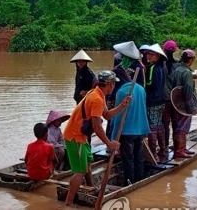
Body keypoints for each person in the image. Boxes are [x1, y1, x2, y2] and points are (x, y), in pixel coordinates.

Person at [63, 70, 130, 207]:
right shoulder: (97, 99)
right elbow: (97, 127)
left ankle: (91, 188)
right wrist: (109, 144)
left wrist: (122, 105)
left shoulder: (98, 93)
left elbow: (106, 115)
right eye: (113, 84)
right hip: (75, 137)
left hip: (81, 135)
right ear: (110, 84)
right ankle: (68, 203)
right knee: (80, 171)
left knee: (87, 163)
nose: (114, 87)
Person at [111, 67, 150, 185]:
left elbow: (118, 116)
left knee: (128, 159)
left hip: (127, 131)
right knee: (138, 157)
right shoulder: (141, 89)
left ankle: (129, 182)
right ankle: (140, 179)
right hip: (140, 129)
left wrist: (113, 137)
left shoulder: (122, 92)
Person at [170, 49, 197, 159]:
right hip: (184, 105)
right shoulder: (187, 73)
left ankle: (181, 148)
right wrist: (192, 108)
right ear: (190, 60)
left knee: (177, 126)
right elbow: (188, 92)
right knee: (182, 128)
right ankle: (180, 150)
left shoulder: (177, 69)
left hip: (176, 102)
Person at [144, 44, 167, 162]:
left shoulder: (152, 67)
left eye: (151, 54)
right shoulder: (162, 67)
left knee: (152, 127)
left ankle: (154, 154)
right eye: (148, 54)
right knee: (159, 126)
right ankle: (163, 150)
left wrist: (143, 84)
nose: (148, 56)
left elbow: (150, 84)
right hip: (160, 100)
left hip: (152, 101)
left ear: (157, 56)